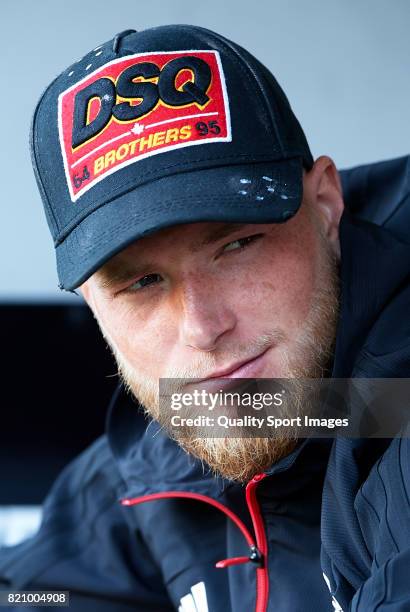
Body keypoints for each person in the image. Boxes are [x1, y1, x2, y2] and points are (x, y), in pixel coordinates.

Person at [1, 24, 410, 612]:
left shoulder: (387, 395)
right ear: (93, 303)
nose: (202, 327)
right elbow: (37, 594)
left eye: (237, 245)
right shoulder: (178, 429)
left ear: (325, 205)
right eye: (142, 282)